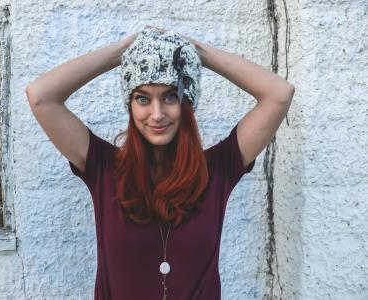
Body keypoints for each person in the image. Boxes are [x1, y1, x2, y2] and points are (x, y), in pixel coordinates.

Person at [26, 26, 294, 300]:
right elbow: (41, 96)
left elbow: (279, 94)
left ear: (187, 103)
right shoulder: (104, 169)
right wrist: (122, 51)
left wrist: (199, 52)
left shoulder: (216, 171)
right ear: (130, 105)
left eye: (170, 97)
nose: (156, 114)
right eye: (142, 98)